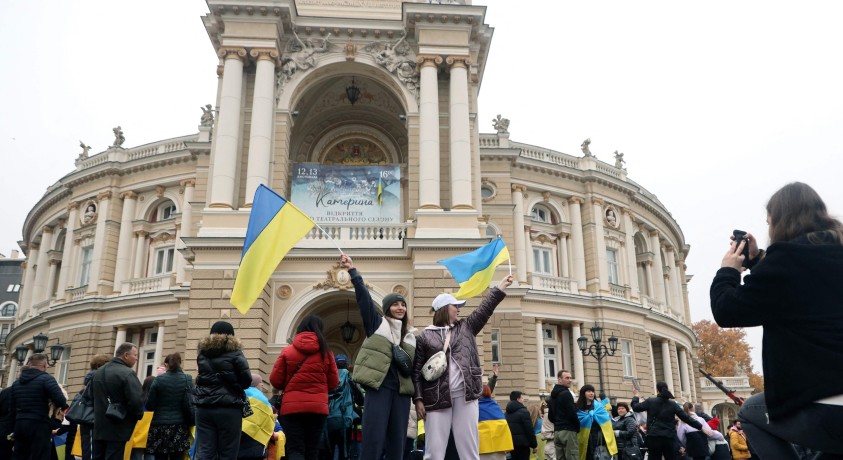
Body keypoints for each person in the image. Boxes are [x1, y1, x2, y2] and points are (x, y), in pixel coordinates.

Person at [710, 182, 843, 457]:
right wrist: (760, 260)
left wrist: (729, 271)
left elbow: (727, 311)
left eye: (769, 222)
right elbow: (799, 294)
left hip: (822, 402)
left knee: (749, 413)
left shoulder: (786, 261)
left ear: (779, 222)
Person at [412, 274, 514, 460]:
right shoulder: (425, 336)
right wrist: (418, 399)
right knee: (434, 450)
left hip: (466, 396)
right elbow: (417, 371)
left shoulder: (466, 327)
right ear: (443, 309)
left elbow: (485, 309)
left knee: (469, 449)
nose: (459, 309)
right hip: (436, 397)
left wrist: (500, 288)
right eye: (455, 306)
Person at [339, 254, 416, 460]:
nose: (400, 308)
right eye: (395, 304)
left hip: (401, 393)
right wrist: (353, 272)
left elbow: (414, 370)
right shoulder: (377, 325)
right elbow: (364, 300)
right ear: (387, 308)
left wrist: (418, 399)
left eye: (403, 305)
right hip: (378, 388)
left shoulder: (410, 335)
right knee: (373, 439)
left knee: (397, 442)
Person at [270, 315, 339, 460]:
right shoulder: (326, 353)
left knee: (295, 448)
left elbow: (275, 381)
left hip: (291, 408)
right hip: (317, 409)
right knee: (312, 449)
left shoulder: (287, 351)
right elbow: (333, 383)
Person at [194, 321, 252, 460]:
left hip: (204, 406)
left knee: (205, 450)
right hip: (229, 407)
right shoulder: (236, 353)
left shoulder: (202, 354)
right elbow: (247, 380)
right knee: (228, 451)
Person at [9, 354, 68, 460]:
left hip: (20, 424)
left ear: (29, 364)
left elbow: (12, 406)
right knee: (40, 455)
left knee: (19, 455)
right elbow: (61, 400)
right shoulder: (46, 379)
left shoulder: (16, 383)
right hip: (39, 424)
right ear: (45, 364)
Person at [632, 382, 712, 460]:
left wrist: (636, 396)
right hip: (668, 438)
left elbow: (635, 407)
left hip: (654, 437)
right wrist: (701, 427)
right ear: (667, 389)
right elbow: (686, 418)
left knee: (654, 457)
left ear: (657, 390)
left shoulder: (650, 401)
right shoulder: (673, 404)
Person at [91, 343, 143, 460]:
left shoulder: (99, 372)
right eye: (135, 355)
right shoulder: (127, 373)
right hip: (119, 425)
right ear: (125, 355)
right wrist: (137, 416)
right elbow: (136, 401)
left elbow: (91, 396)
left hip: (99, 425)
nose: (136, 358)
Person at [145, 352, 193, 460]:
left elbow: (150, 405)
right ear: (180, 363)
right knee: (178, 457)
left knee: (160, 457)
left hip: (159, 426)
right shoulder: (187, 379)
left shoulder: (158, 380)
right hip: (180, 425)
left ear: (166, 365)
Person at [74, 354, 110, 460]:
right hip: (92, 417)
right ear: (101, 365)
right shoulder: (97, 378)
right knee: (91, 451)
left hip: (90, 418)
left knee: (90, 449)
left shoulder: (92, 378)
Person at [324, 354, 356, 460]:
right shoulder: (349, 380)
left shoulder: (328, 379)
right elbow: (361, 398)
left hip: (329, 419)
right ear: (346, 365)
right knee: (344, 453)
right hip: (344, 419)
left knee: (329, 452)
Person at [575, 384, 617, 460]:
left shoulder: (599, 406)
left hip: (598, 437)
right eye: (589, 391)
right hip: (584, 437)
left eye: (593, 391)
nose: (591, 393)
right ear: (583, 393)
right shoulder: (578, 408)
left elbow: (607, 418)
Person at [239, 374, 275, 460]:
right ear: (256, 384)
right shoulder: (263, 399)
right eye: (260, 383)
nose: (262, 385)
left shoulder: (239, 393)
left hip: (238, 439)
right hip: (256, 443)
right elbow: (269, 420)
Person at [549, 370, 579, 460]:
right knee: (572, 456)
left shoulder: (553, 395)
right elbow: (572, 413)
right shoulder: (566, 394)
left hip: (557, 432)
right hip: (568, 431)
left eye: (570, 378)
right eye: (567, 378)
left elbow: (550, 416)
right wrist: (577, 427)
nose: (570, 380)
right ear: (559, 380)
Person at [506, 391, 538, 460]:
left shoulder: (507, 413)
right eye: (522, 398)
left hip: (512, 444)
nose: (523, 400)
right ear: (518, 399)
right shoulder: (524, 412)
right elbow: (529, 430)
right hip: (523, 445)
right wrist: (534, 445)